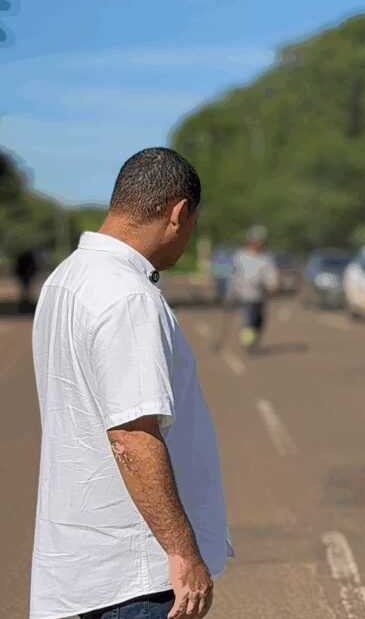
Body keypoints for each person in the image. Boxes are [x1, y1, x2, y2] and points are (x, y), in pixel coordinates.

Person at [30, 148, 231, 619]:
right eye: (193, 224)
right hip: (134, 577)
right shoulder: (128, 297)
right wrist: (183, 554)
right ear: (179, 213)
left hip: (80, 568)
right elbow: (131, 436)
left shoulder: (65, 280)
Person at [230, 225, 278, 352]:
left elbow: (271, 277)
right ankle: (248, 344)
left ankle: (253, 341)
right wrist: (233, 289)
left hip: (261, 296)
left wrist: (273, 285)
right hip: (246, 295)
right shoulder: (241, 256)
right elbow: (235, 274)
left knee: (259, 321)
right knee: (249, 320)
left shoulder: (266, 259)